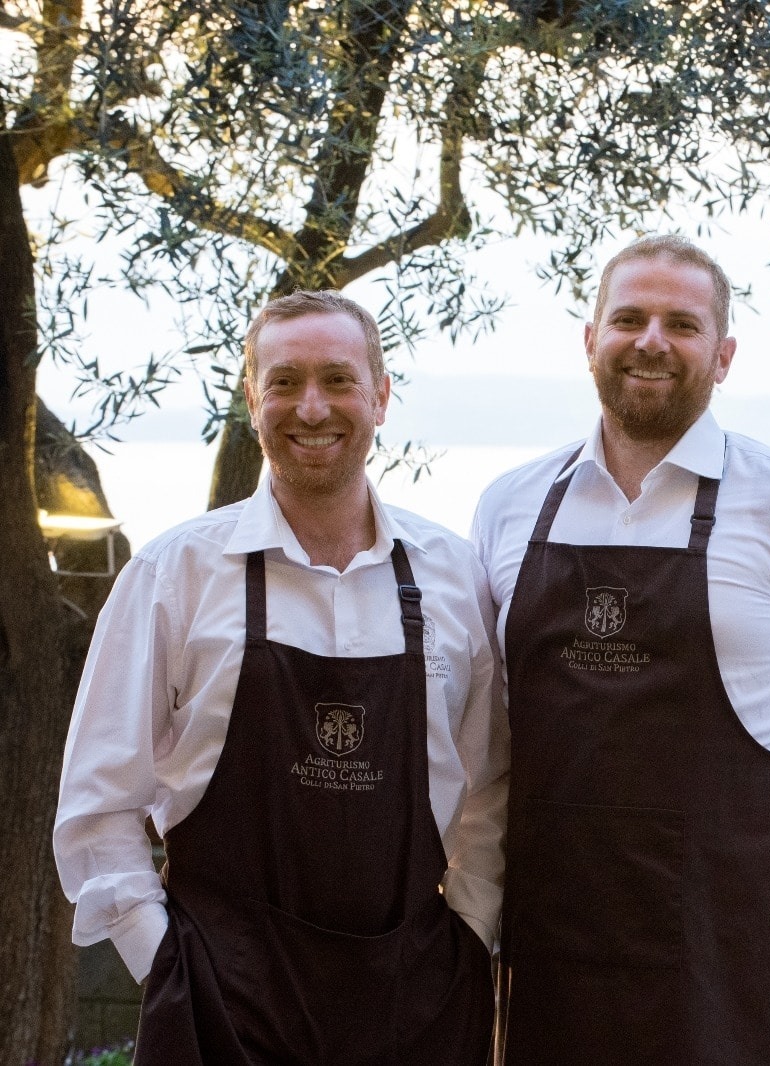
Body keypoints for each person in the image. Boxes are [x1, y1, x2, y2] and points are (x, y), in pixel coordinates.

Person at [471, 235, 770, 1066]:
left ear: (722, 355)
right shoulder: (510, 506)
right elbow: (496, 717)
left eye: (681, 323)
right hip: (559, 927)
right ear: (590, 341)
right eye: (629, 318)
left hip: (735, 926)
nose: (651, 341)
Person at [54, 291, 509, 1066]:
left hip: (413, 1006)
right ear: (251, 398)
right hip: (220, 1009)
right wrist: (168, 964)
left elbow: (492, 787)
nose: (311, 406)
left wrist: (465, 939)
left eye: (337, 379)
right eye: (285, 380)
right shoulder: (175, 574)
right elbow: (98, 807)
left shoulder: (452, 576)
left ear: (380, 396)